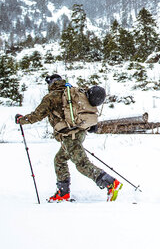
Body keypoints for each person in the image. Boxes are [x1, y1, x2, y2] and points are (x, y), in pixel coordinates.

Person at [15, 74, 122, 202]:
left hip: (70, 136)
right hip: (79, 132)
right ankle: (63, 193)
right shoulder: (72, 92)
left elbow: (36, 115)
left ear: (51, 84)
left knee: (82, 164)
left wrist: (21, 120)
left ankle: (110, 183)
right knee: (59, 160)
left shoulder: (51, 97)